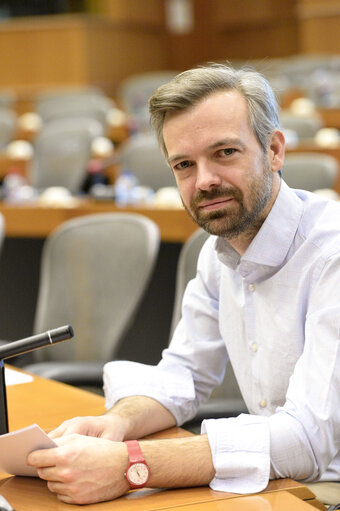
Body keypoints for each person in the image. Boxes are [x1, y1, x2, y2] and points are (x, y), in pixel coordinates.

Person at [27, 63, 340, 506]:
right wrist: (116, 424)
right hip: (276, 482)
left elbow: (307, 440)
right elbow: (184, 376)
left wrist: (131, 464)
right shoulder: (219, 253)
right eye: (184, 165)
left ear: (274, 150)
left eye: (225, 153)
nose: (205, 181)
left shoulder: (333, 256)